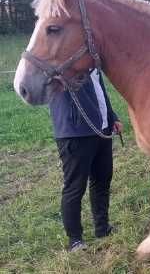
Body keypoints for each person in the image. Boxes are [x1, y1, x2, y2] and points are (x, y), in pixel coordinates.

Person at [50, 69, 123, 251]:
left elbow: (100, 91)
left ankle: (102, 228)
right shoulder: (59, 61)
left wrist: (112, 117)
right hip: (75, 133)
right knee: (75, 187)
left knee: (102, 180)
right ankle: (75, 239)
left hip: (102, 130)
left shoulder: (91, 64)